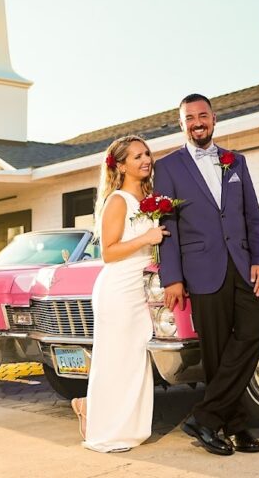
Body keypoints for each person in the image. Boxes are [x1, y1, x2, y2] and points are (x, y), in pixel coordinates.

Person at [154, 93, 259, 456]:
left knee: (253, 333)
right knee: (217, 352)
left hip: (242, 264)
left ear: (214, 119)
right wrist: (171, 277)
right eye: (190, 118)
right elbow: (165, 227)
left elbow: (253, 216)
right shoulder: (168, 167)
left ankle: (205, 416)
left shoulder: (236, 162)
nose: (197, 122)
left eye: (203, 115)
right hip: (201, 269)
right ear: (182, 124)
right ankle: (234, 426)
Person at [70, 135, 168, 452]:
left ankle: (97, 410)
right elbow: (109, 253)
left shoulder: (150, 199)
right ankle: (106, 425)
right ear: (121, 164)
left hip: (140, 290)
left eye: (147, 154)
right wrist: (147, 238)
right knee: (116, 360)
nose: (145, 160)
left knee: (134, 359)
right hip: (117, 289)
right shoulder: (118, 201)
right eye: (137, 156)